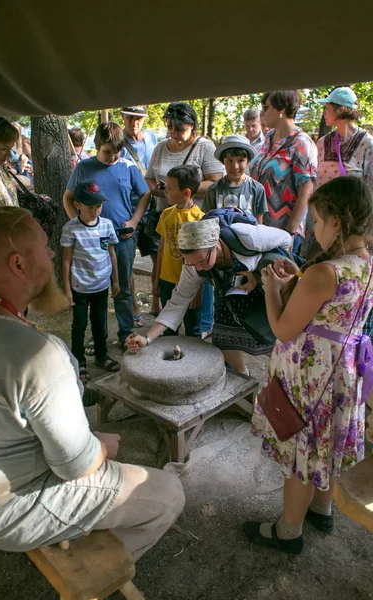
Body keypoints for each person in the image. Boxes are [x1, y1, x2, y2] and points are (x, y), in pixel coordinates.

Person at [0, 206, 185, 556]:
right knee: (169, 492)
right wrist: (98, 446)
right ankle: (98, 571)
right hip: (4, 505)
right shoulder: (38, 355)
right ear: (18, 264)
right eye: (44, 248)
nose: (52, 254)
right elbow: (76, 466)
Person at [244, 176, 373, 554]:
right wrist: (295, 284)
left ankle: (288, 531)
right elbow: (333, 313)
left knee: (303, 453)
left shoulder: (324, 272)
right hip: (342, 372)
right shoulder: (365, 263)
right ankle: (323, 508)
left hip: (310, 376)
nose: (314, 229)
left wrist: (271, 290)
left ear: (337, 219)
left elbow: (284, 329)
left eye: (317, 220)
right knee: (326, 443)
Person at [127, 218, 294, 375]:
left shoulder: (246, 237)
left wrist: (257, 275)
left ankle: (284, 373)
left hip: (268, 286)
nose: (199, 267)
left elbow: (286, 239)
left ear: (216, 244)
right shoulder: (193, 265)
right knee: (223, 340)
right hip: (232, 292)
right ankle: (243, 377)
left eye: (202, 260)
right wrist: (147, 338)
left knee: (277, 336)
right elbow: (177, 303)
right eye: (192, 263)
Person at [63, 121, 151, 348]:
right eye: (107, 152)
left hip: (122, 238)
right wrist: (78, 225)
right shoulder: (83, 168)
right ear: (97, 146)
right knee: (95, 289)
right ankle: (98, 334)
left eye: (117, 152)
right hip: (91, 241)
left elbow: (145, 195)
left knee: (122, 286)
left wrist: (134, 221)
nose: (113, 156)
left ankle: (125, 333)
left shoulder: (128, 167)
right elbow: (68, 197)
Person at [145, 102, 222, 335]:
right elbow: (149, 177)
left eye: (179, 129)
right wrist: (164, 191)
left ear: (193, 128)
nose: (174, 134)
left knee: (193, 274)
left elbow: (216, 181)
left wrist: (184, 189)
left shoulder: (204, 147)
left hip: (194, 224)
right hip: (168, 215)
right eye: (170, 127)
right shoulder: (160, 147)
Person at [61, 182, 120, 384]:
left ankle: (102, 354)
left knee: (100, 322)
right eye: (90, 206)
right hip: (79, 287)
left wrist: (116, 281)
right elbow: (67, 260)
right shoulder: (71, 229)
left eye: (99, 206)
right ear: (77, 204)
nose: (95, 210)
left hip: (102, 285)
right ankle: (79, 360)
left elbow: (111, 253)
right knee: (79, 324)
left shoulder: (106, 225)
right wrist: (67, 289)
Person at [249, 90, 317, 253]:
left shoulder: (302, 143)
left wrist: (289, 233)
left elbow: (305, 194)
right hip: (259, 227)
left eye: (266, 107)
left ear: (281, 109)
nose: (263, 112)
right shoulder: (270, 136)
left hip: (282, 232)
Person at [119, 105, 160, 322]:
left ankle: (156, 300)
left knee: (158, 255)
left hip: (152, 208)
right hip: (128, 209)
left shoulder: (153, 138)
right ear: (123, 116)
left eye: (139, 117)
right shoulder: (119, 142)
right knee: (127, 259)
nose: (135, 122)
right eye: (131, 117)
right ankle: (133, 307)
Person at [155, 165, 204, 337]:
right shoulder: (166, 214)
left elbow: (203, 263)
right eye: (165, 187)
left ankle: (192, 363)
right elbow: (161, 249)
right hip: (167, 279)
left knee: (193, 328)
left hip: (189, 284)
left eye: (170, 188)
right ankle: (170, 362)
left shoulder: (201, 219)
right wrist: (156, 281)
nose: (165, 191)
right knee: (168, 327)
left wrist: (198, 292)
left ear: (186, 192)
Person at [316, 87, 373, 189]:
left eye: (327, 108)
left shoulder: (367, 143)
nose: (324, 113)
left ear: (341, 109)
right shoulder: (322, 143)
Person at [203, 135, 268, 223]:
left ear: (248, 161)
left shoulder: (257, 189)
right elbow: (208, 221)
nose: (235, 167)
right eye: (230, 161)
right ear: (223, 162)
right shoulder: (213, 189)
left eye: (240, 161)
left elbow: (259, 225)